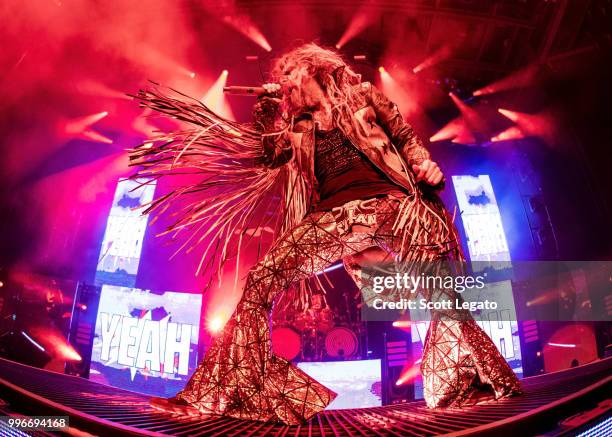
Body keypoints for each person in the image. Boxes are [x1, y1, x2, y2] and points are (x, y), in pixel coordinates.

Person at [132, 43, 521, 425]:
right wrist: (268, 109)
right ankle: (225, 394)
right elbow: (269, 155)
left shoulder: (364, 95)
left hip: (395, 204)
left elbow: (403, 136)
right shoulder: (293, 126)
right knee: (262, 279)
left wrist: (424, 163)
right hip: (333, 217)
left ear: (311, 68)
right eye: (280, 82)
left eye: (288, 77)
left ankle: (466, 385)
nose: (284, 86)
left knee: (441, 292)